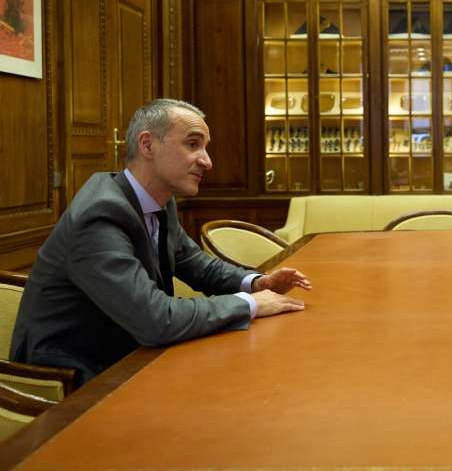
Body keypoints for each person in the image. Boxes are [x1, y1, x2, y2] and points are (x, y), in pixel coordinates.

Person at [11, 99, 312, 387]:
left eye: (205, 147)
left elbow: (197, 265)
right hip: (73, 379)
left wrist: (257, 283)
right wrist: (249, 304)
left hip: (129, 354)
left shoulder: (159, 201)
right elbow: (155, 320)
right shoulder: (99, 216)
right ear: (147, 145)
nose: (207, 161)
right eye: (192, 144)